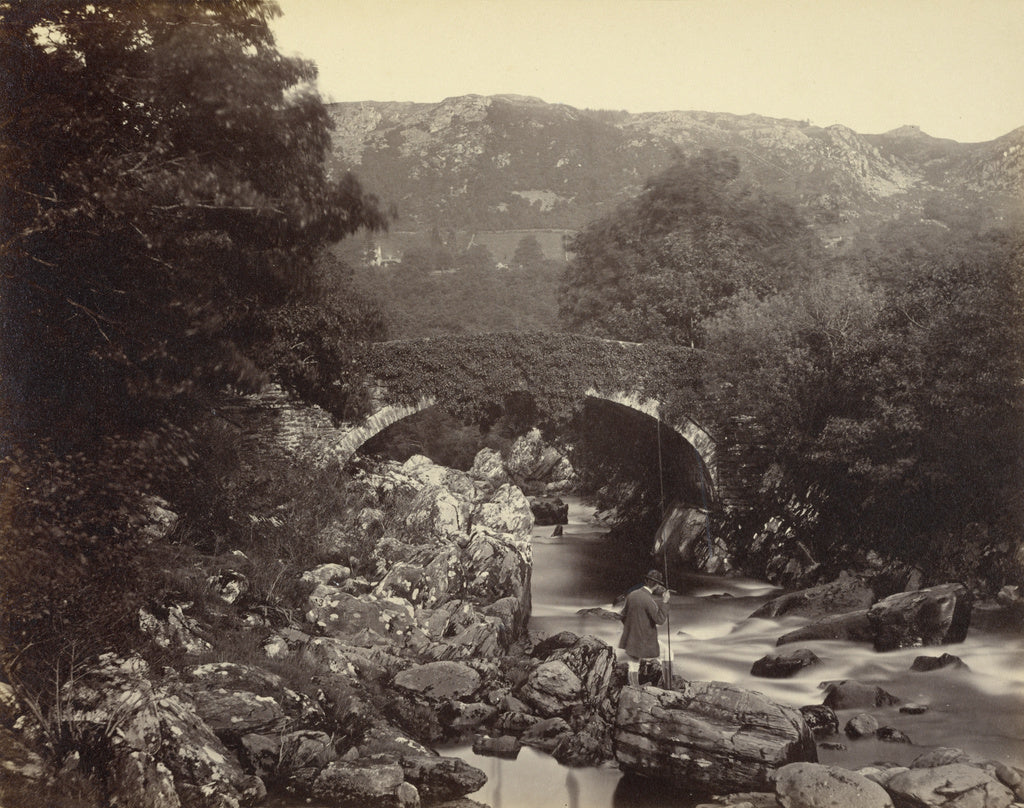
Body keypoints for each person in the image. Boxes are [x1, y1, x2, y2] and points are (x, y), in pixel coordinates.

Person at [618, 568, 671, 687]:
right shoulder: (648, 600)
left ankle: (633, 686)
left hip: (631, 639)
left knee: (633, 662)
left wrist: (633, 629)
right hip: (644, 640)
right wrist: (665, 602)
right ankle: (668, 686)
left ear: (646, 581)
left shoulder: (632, 595)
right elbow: (660, 620)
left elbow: (622, 615)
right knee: (668, 653)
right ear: (656, 585)